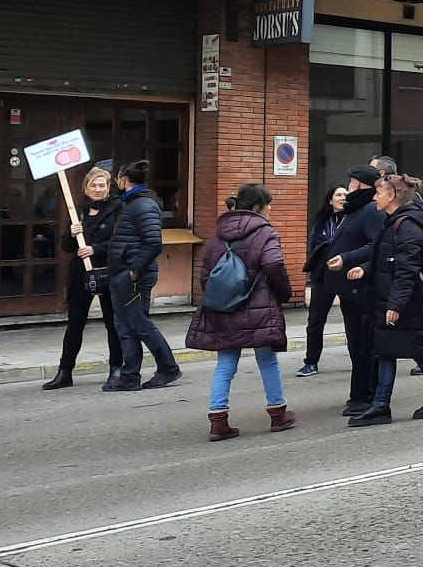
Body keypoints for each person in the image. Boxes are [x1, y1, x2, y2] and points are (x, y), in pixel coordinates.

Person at [186, 184, 296, 439]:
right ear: (259, 206)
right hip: (259, 305)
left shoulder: (219, 234)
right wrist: (283, 293)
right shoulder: (265, 233)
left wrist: (223, 295)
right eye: (268, 204)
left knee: (225, 363)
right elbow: (274, 265)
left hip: (224, 307)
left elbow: (206, 274)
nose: (270, 209)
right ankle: (278, 413)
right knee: (267, 359)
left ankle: (218, 419)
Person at [349, 173, 423, 425]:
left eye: (378, 193)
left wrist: (395, 305)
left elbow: (406, 270)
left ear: (391, 196)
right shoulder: (395, 222)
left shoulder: (408, 227)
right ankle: (383, 405)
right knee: (388, 350)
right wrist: (366, 268)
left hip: (408, 302)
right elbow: (387, 258)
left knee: (419, 350)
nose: (374, 198)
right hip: (393, 298)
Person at [102, 160, 182, 392]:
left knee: (139, 324)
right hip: (122, 274)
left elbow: (153, 243)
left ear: (124, 180)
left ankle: (168, 367)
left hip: (133, 276)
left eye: (117, 178)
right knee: (125, 326)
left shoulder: (143, 205)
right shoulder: (133, 203)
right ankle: (130, 375)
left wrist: (134, 271)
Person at [44, 167, 125, 391]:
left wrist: (95, 249)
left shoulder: (118, 208)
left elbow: (122, 242)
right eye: (93, 185)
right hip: (82, 273)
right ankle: (65, 371)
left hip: (108, 270)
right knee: (75, 323)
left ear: (108, 188)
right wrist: (72, 234)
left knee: (112, 322)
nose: (97, 189)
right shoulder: (77, 211)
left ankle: (116, 369)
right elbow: (66, 246)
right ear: (85, 188)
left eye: (102, 185)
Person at [321, 168, 386, 414]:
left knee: (363, 345)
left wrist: (348, 258)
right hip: (349, 288)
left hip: (362, 289)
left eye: (352, 182)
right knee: (356, 344)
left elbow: (376, 245)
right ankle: (361, 393)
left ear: (361, 186)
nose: (348, 187)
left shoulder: (371, 211)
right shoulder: (355, 210)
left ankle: (365, 396)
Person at [297, 185, 349, 377]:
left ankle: (359, 360)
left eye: (345, 195)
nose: (342, 198)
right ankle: (311, 362)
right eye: (338, 195)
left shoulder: (352, 219)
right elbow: (314, 245)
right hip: (322, 276)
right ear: (330, 200)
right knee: (315, 321)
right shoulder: (322, 221)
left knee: (352, 322)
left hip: (346, 275)